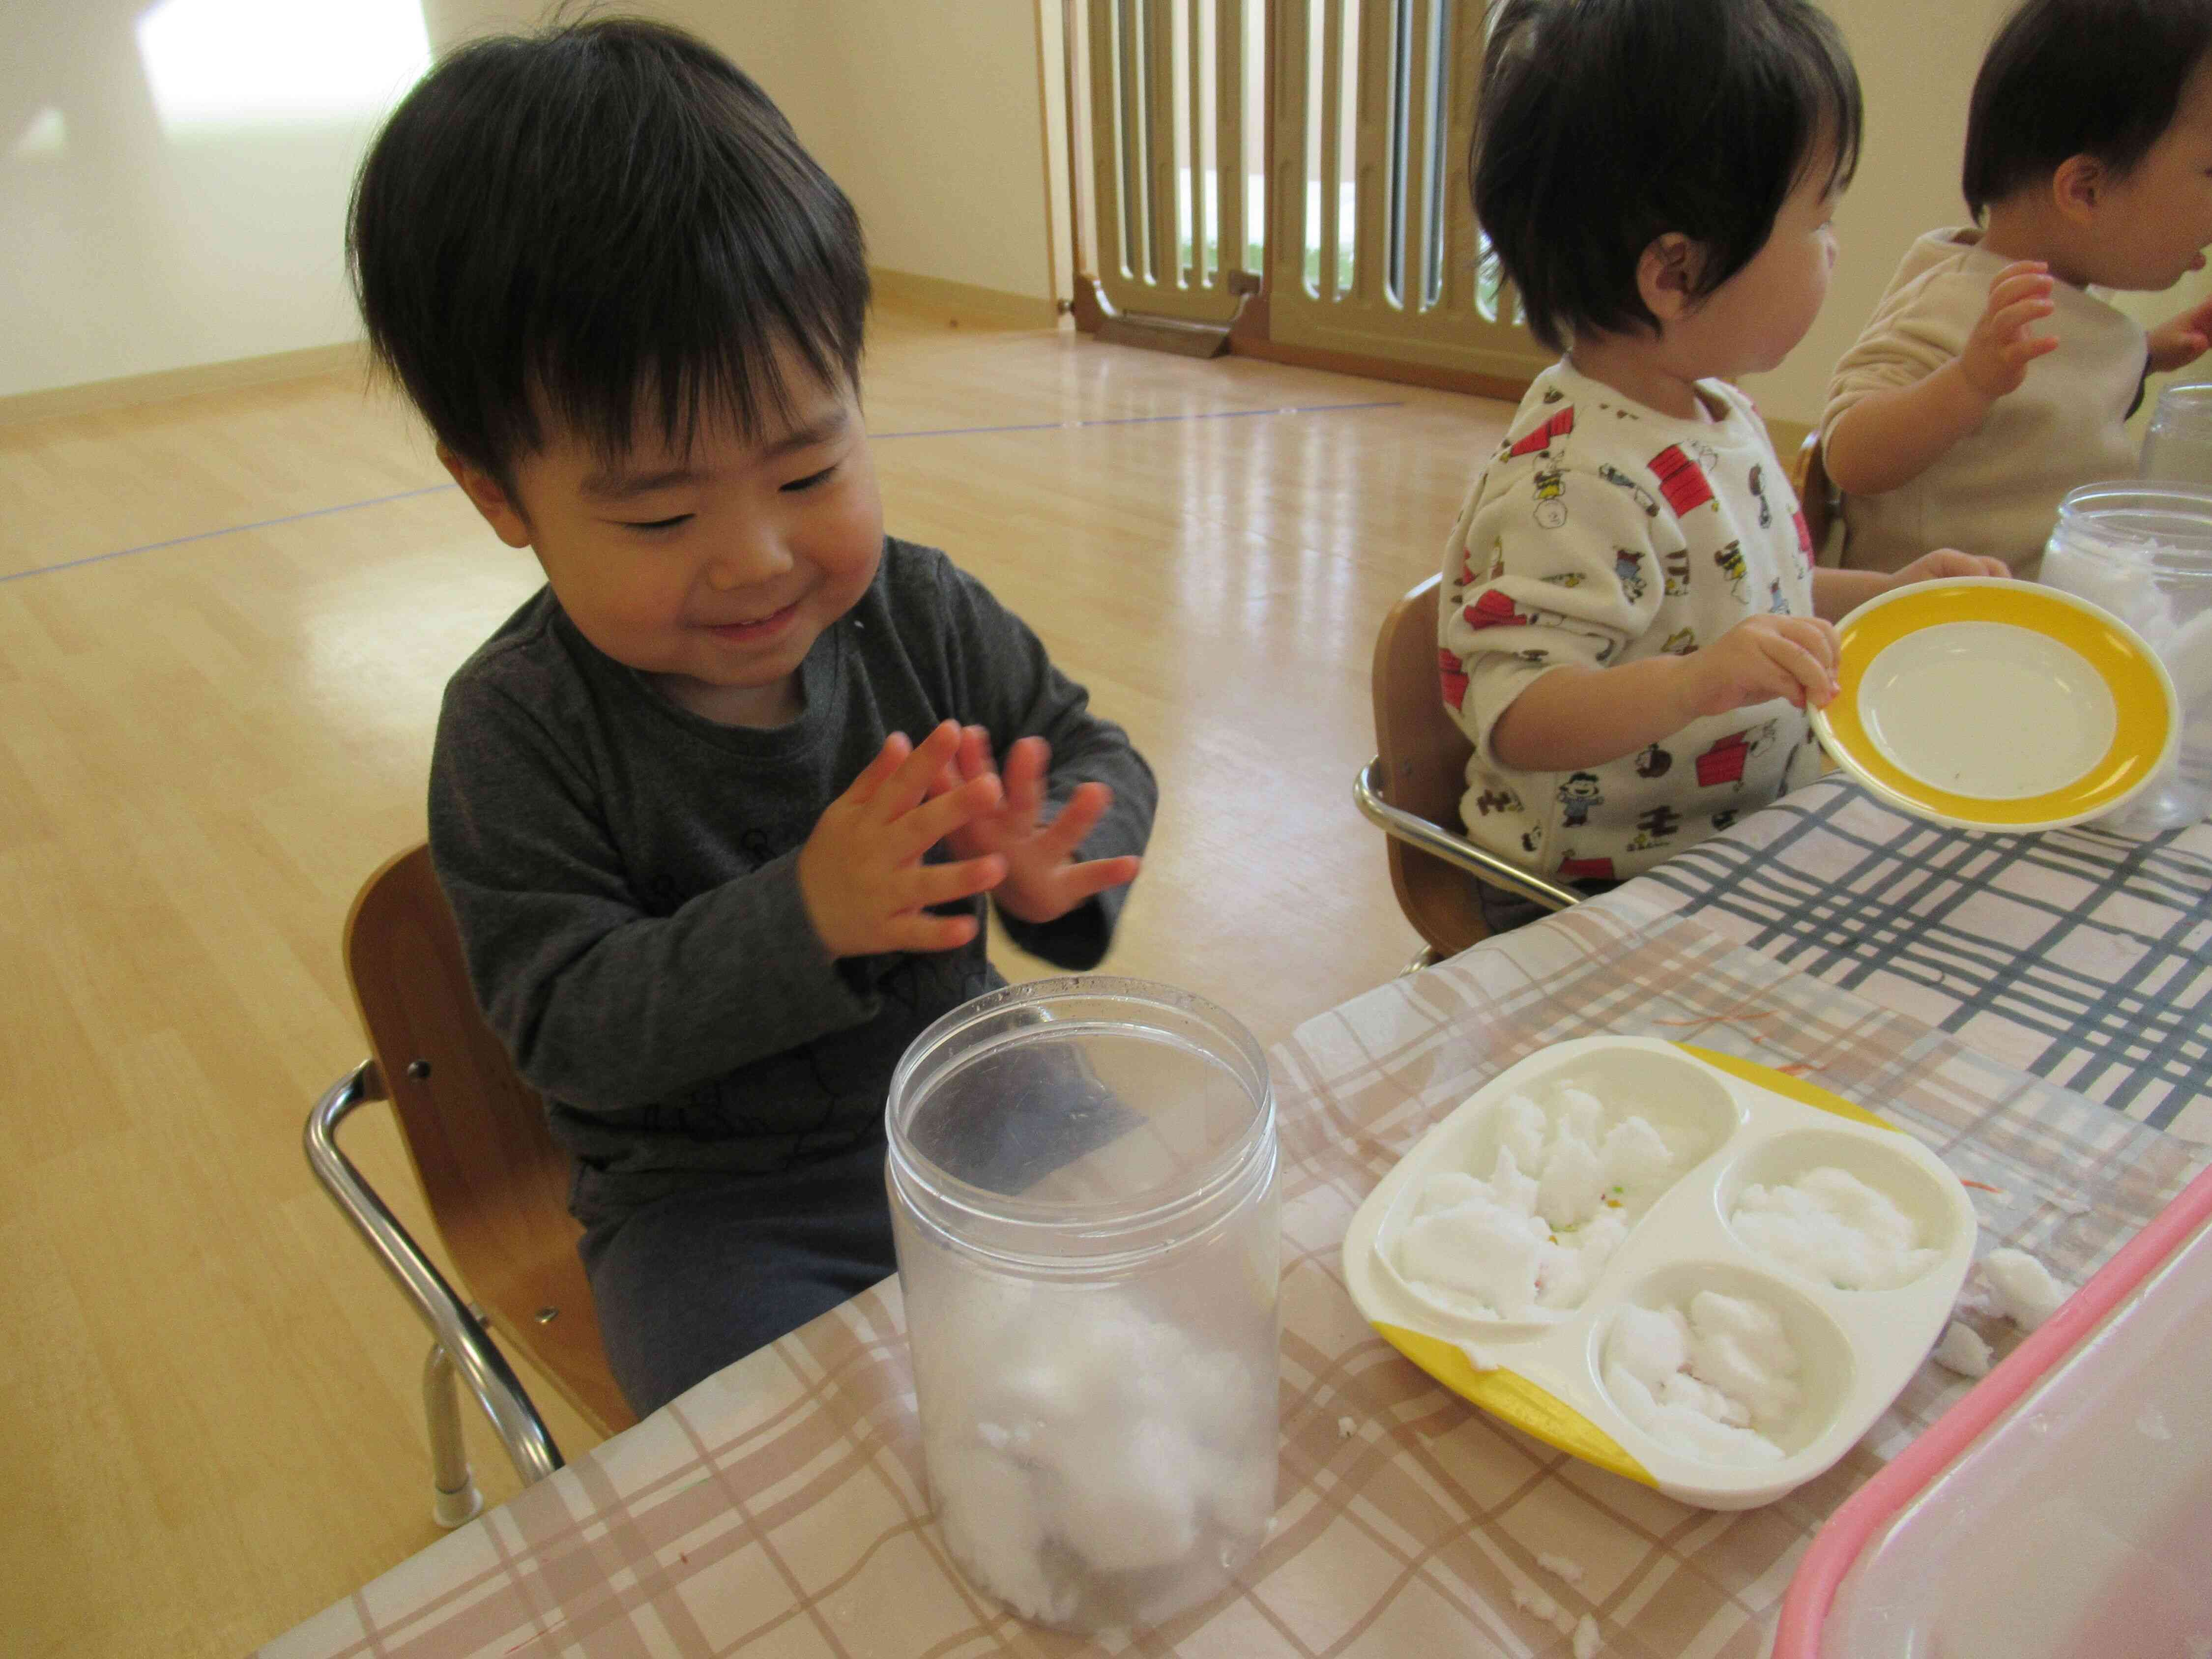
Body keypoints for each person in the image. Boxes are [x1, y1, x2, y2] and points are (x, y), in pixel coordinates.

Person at [347, 18, 1155, 1415]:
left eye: (807, 466)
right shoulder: (516, 730)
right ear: (498, 495)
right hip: (719, 1212)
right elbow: (570, 1023)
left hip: (985, 1103)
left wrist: (1061, 847)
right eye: (660, 510)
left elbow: (1087, 751)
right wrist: (806, 915)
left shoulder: (918, 609)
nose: (757, 557)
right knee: (795, 1463)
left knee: (1175, 1298)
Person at [1444, 0, 2005, 931]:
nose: (1837, 246)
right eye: (1819, 215)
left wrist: (1891, 594)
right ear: (1677, 273)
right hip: (1582, 897)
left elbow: (1749, 594)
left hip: (1728, 846)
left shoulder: (1718, 411)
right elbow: (1518, 712)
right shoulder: (1570, 484)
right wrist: (1699, 683)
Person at [1822, 0, 2212, 578]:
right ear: (2086, 191)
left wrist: (2148, 353)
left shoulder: (2069, 297)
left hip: (2042, 598)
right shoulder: (1959, 306)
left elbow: (2049, 408)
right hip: (1940, 623)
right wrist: (1967, 383)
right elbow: (1849, 455)